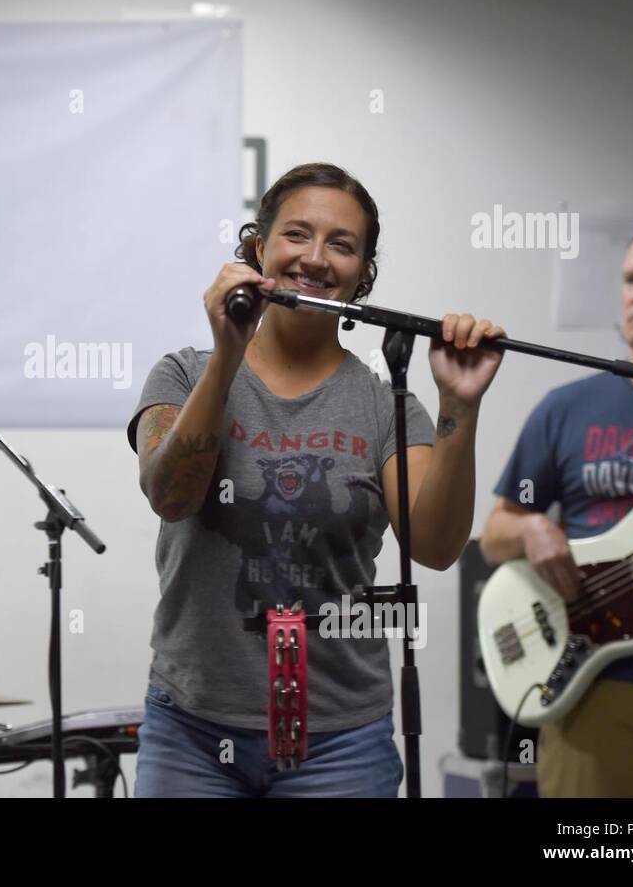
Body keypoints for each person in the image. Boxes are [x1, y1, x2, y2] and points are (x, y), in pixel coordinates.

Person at [128, 162, 505, 797]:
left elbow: (437, 548)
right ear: (258, 248)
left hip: (340, 741)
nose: (316, 257)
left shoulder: (388, 405)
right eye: (297, 235)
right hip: (192, 731)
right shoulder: (183, 376)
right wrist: (228, 352)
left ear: (362, 275)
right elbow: (172, 497)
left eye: (342, 245)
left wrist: (459, 407)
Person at [481, 214, 633, 797]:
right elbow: (495, 534)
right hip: (593, 688)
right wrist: (534, 529)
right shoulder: (566, 408)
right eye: (630, 279)